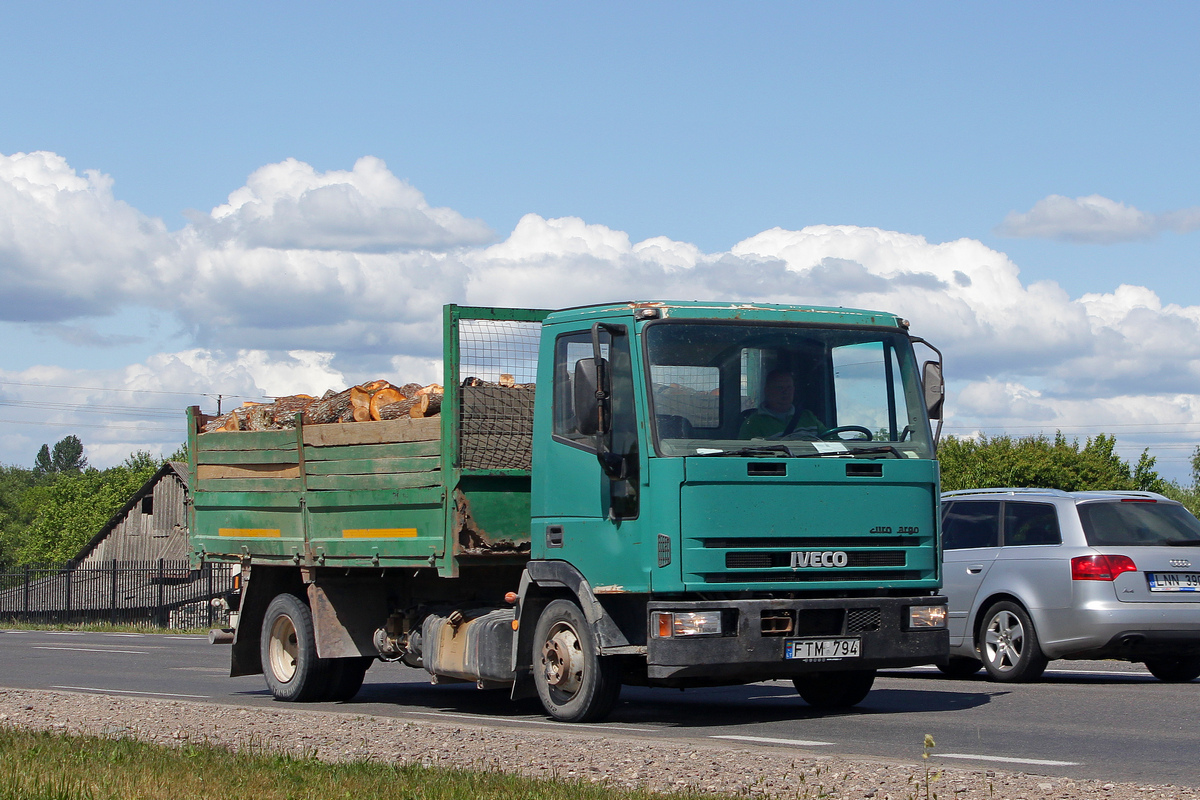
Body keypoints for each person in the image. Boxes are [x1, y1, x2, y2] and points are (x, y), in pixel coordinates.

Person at [739, 369, 824, 439]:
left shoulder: (808, 417)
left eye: (789, 387)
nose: (785, 392)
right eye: (780, 388)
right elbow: (742, 454)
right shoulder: (753, 424)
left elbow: (832, 440)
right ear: (767, 391)